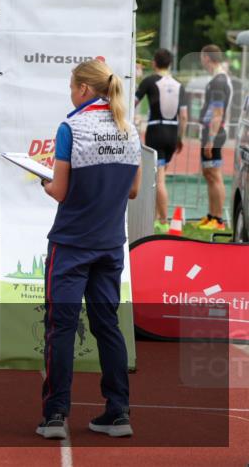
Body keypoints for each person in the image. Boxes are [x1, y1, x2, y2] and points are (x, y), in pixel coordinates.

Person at [36, 59, 141, 440]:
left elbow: (59, 191)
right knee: (107, 325)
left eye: (71, 87)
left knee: (61, 328)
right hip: (110, 245)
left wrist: (42, 180)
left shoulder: (71, 127)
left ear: (83, 89)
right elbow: (133, 191)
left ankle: (54, 416)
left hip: (72, 244)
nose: (70, 93)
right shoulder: (130, 130)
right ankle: (118, 412)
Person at [134, 48, 187, 233]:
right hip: (172, 133)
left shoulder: (149, 81)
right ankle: (158, 217)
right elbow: (184, 116)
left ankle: (164, 221)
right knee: (160, 176)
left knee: (159, 179)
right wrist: (180, 137)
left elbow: (133, 102)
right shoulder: (179, 84)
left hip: (156, 131)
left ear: (154, 63)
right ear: (170, 64)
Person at [196, 44, 233, 231]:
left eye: (202, 57)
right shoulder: (217, 78)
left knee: (215, 175)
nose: (201, 61)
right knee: (209, 174)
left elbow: (218, 113)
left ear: (207, 58)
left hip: (215, 133)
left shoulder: (219, 81)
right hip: (210, 132)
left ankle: (218, 220)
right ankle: (211, 215)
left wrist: (211, 138)